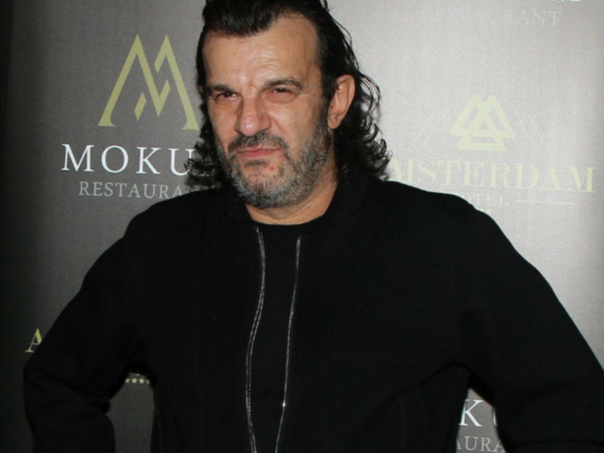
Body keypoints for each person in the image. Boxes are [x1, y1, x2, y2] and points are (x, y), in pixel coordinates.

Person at [24, 0, 604, 452]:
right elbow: (58, 381)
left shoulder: (443, 242)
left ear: (335, 100)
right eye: (226, 95)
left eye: (279, 90)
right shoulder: (160, 244)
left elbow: (571, 408)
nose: (248, 121)